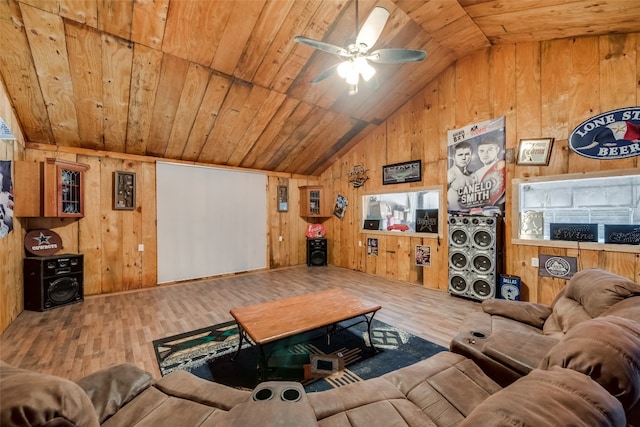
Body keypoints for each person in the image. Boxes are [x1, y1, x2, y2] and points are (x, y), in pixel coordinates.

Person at [447, 141, 475, 211]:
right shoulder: (450, 174)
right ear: (454, 157)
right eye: (460, 155)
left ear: (471, 155)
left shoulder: (473, 175)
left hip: (469, 217)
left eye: (467, 154)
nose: (464, 158)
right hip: (452, 217)